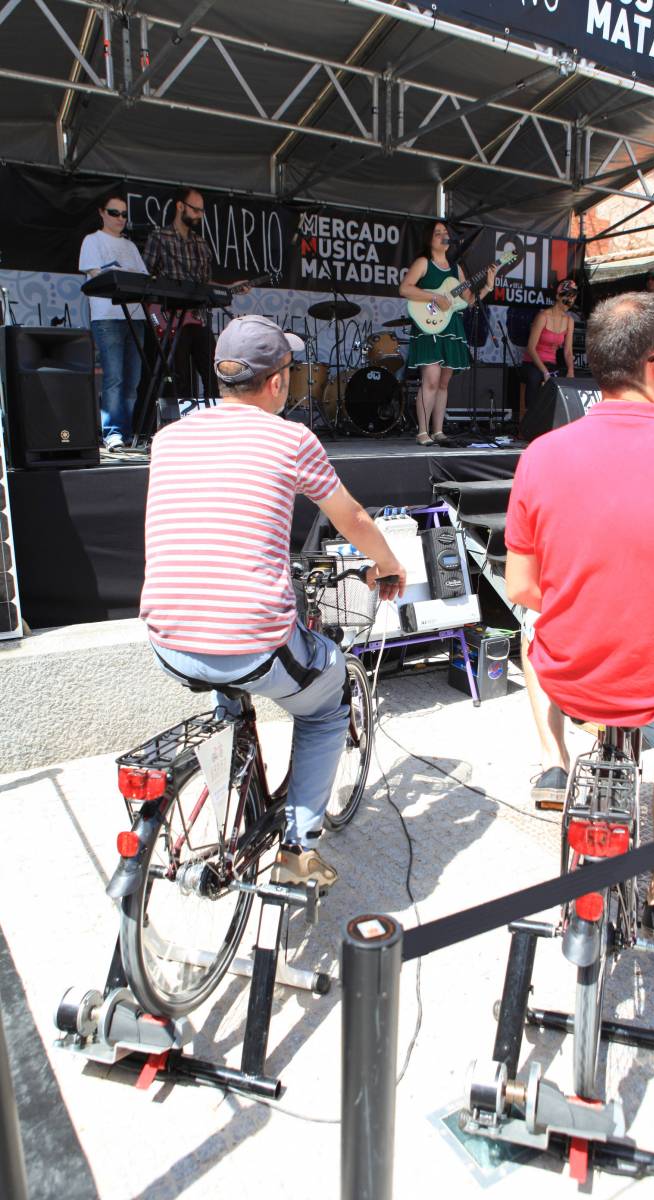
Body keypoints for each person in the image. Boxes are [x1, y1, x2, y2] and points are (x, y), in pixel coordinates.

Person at [505, 291, 654, 941]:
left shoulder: (541, 457)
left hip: (573, 677)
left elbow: (522, 585)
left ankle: (554, 757)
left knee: (531, 639)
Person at [140, 315, 406, 889]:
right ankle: (297, 848)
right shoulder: (290, 438)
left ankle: (230, 760)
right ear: (279, 382)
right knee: (327, 700)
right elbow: (352, 517)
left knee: (230, 683)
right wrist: (389, 565)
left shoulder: (169, 437)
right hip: (251, 642)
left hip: (166, 641)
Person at [143, 186, 249, 402]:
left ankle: (216, 423)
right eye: (195, 210)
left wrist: (231, 286)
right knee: (177, 377)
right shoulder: (160, 237)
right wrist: (159, 314)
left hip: (198, 319)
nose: (200, 215)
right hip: (171, 319)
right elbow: (146, 280)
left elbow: (205, 283)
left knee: (214, 374)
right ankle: (181, 426)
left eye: (202, 211)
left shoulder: (200, 244)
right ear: (180, 206)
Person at [400, 221, 496, 446]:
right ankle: (422, 431)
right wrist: (435, 297)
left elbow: (469, 300)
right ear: (429, 239)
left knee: (444, 382)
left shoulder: (456, 269)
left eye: (446, 233)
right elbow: (405, 288)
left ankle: (438, 430)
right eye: (438, 233)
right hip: (429, 325)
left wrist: (488, 286)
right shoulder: (424, 263)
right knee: (430, 380)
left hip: (451, 327)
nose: (443, 236)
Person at [79, 190, 148, 450]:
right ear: (101, 213)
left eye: (124, 214)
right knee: (115, 378)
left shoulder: (130, 246)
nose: (120, 218)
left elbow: (143, 277)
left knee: (133, 379)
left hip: (135, 316)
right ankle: (112, 433)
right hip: (107, 317)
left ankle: (127, 432)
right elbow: (97, 275)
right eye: (114, 213)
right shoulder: (92, 240)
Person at [518, 279, 576, 412]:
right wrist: (544, 371)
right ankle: (530, 416)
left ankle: (557, 418)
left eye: (573, 297)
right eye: (567, 296)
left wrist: (571, 370)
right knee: (535, 377)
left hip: (551, 363)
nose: (570, 300)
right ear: (558, 296)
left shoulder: (569, 321)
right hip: (532, 363)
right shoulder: (543, 316)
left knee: (565, 379)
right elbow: (531, 348)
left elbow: (568, 351)